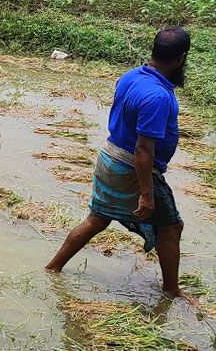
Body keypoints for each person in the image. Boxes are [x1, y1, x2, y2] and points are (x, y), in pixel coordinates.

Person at [45, 27, 198, 307]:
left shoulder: (131, 76)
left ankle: (53, 267)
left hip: (109, 159)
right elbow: (143, 149)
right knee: (171, 226)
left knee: (97, 219)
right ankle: (171, 292)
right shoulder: (158, 96)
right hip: (131, 168)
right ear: (181, 59)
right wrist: (147, 193)